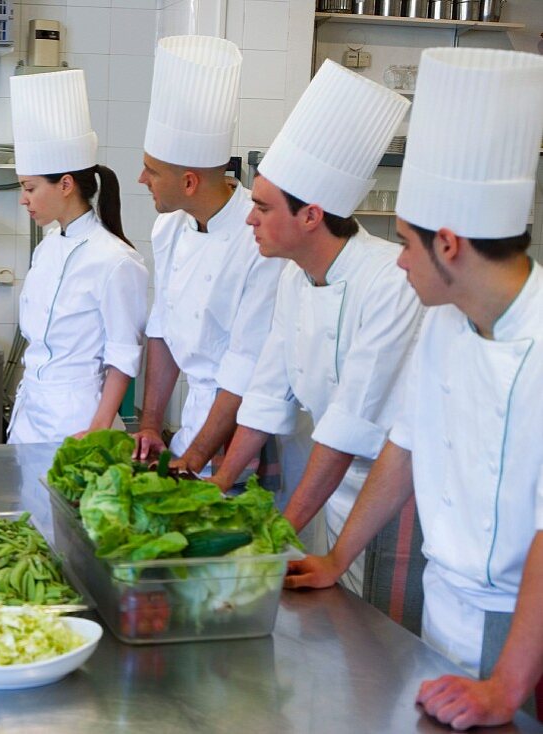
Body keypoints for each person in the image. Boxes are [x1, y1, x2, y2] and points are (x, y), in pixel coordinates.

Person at [287, 47, 543, 729]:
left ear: (450, 245)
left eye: (404, 241)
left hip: (527, 634)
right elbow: (404, 446)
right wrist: (336, 559)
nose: (397, 260)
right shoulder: (449, 323)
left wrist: (508, 687)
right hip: (444, 606)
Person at [207, 60, 420, 596]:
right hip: (337, 485)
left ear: (310, 216)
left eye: (261, 207)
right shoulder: (295, 277)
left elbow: (351, 420)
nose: (249, 220)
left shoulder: (390, 281)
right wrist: (216, 488)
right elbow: (265, 394)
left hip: (398, 497)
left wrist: (271, 537)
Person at [131, 35, 282, 477]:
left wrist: (198, 456)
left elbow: (245, 363)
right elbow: (163, 326)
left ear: (190, 182)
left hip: (243, 436)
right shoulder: (170, 226)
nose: (142, 179)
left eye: (153, 171)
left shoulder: (261, 238)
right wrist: (152, 425)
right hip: (191, 428)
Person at [5, 69, 147, 443]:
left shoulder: (116, 260)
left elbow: (123, 356)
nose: (24, 199)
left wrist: (98, 430)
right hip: (28, 417)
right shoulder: (47, 246)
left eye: (30, 188)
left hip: (79, 421)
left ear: (65, 184)